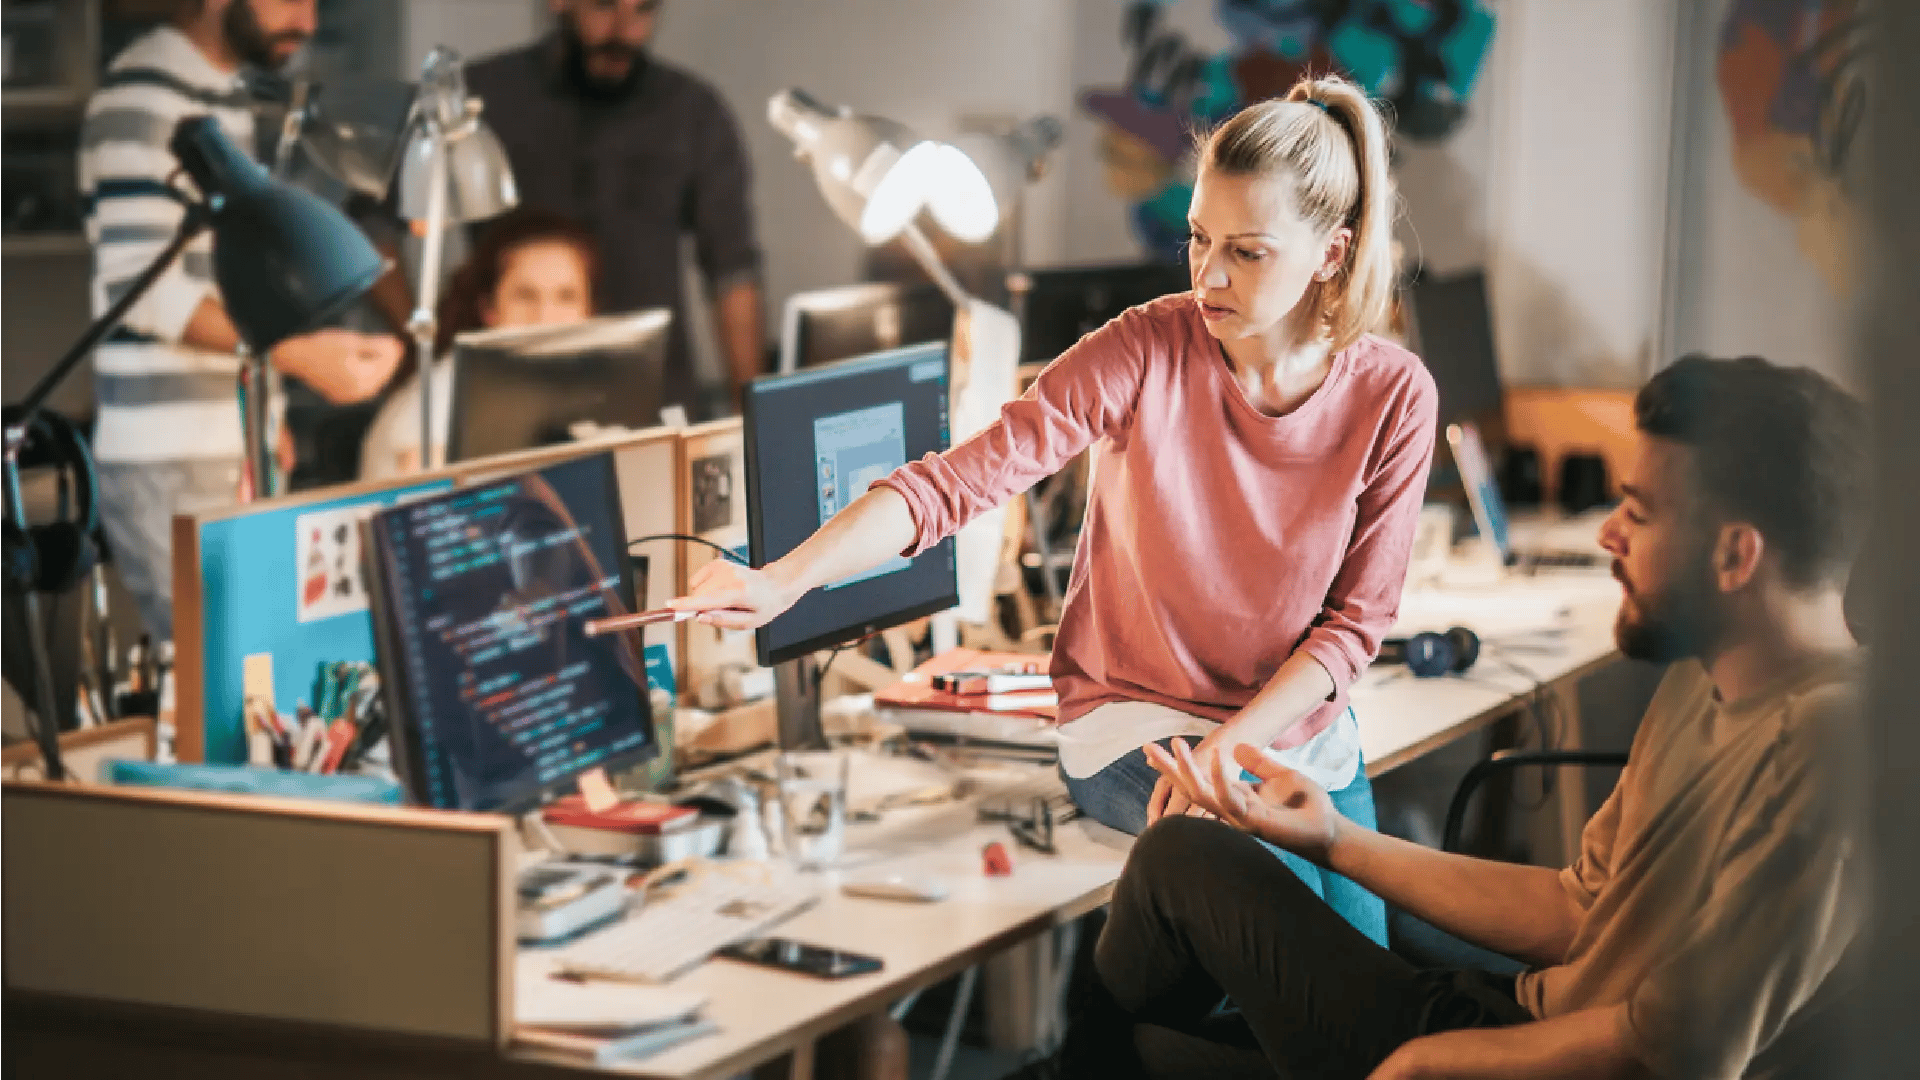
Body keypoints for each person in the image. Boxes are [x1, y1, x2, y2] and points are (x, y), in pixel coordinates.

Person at [674, 75, 1431, 945]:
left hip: (1295, 736)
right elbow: (954, 484)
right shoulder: (1147, 346)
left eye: (1248, 252)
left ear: (1331, 254)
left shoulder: (1395, 395)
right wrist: (783, 580)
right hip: (1137, 722)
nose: (1209, 275)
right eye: (1198, 238)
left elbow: (1353, 627)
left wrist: (1230, 749)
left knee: (1372, 984)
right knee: (1297, 932)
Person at [1096, 355, 1869, 1079]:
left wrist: (1430, 1062)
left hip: (1558, 1057)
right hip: (1543, 1006)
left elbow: (1667, 1051)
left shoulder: (1829, 752)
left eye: (1637, 513)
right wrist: (1332, 838)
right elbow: (1579, 908)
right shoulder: (1709, 672)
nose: (1609, 532)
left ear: (1735, 556)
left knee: (1179, 859)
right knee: (1148, 1050)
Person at [79, 0, 403, 641]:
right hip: (167, 454)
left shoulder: (221, 94)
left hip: (225, 446)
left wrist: (262, 413)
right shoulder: (142, 95)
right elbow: (141, 290)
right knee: (213, 675)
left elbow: (233, 280)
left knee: (258, 666)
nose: (308, 23)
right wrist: (300, 355)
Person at [465, 0, 765, 413]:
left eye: (643, 9)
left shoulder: (691, 110)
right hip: (512, 399)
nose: (625, 30)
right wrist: (413, 354)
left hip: (657, 396)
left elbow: (733, 271)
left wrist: (751, 416)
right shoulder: (486, 98)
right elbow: (382, 226)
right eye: (605, 5)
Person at [359, 208, 598, 480]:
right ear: (489, 310)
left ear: (589, 312)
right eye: (525, 296)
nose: (545, 318)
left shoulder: (581, 392)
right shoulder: (434, 408)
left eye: (566, 297)